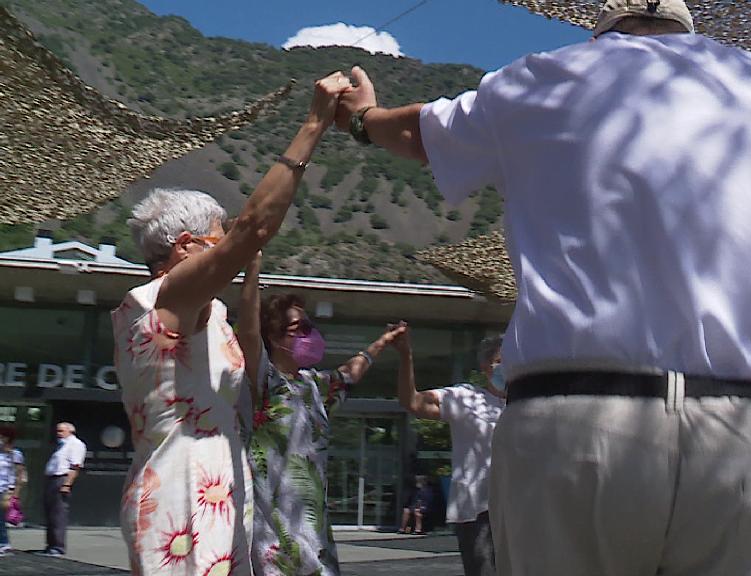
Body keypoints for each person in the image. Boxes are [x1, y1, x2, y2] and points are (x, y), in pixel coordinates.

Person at [335, 0, 751, 572]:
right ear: (685, 21)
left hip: (577, 422)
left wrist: (361, 117)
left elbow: (416, 131)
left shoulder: (541, 79)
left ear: (602, 23)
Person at [112, 71, 349, 576]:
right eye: (217, 242)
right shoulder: (159, 301)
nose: (226, 251)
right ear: (185, 247)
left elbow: (245, 344)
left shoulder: (206, 314)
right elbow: (254, 226)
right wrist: (314, 123)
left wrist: (251, 270)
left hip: (220, 493)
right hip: (180, 497)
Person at [243, 291, 402, 576]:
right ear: (274, 335)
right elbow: (249, 334)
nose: (309, 334)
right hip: (274, 538)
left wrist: (383, 343)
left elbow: (350, 373)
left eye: (310, 326)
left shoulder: (314, 385)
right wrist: (252, 269)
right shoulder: (263, 383)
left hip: (315, 538)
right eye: (299, 328)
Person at [392, 331, 503, 576]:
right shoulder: (467, 397)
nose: (508, 367)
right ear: (485, 366)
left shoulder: (526, 403)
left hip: (520, 509)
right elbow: (412, 401)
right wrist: (406, 356)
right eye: (500, 361)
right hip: (478, 510)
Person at [40, 422, 86, 556]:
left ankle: (58, 547)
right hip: (51, 479)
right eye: (57, 431)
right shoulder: (61, 445)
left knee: (58, 514)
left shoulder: (76, 444)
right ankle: (50, 545)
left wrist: (67, 484)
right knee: (49, 513)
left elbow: (75, 466)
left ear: (70, 431)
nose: (58, 433)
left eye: (61, 431)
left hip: (61, 479)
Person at [0, 426, 25, 556]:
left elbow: (20, 475)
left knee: (0, 519)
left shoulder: (15, 454)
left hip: (5, 490)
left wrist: (14, 493)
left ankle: (4, 544)